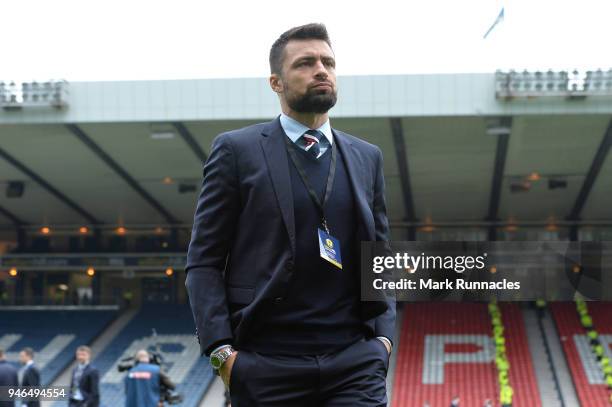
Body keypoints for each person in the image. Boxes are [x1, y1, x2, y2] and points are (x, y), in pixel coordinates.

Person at [186, 23, 395, 406]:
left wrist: (383, 341)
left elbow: (377, 258)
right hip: (265, 362)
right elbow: (204, 261)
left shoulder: (367, 157)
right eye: (305, 63)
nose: (321, 70)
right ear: (276, 83)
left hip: (354, 362)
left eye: (328, 62)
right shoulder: (237, 150)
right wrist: (221, 352)